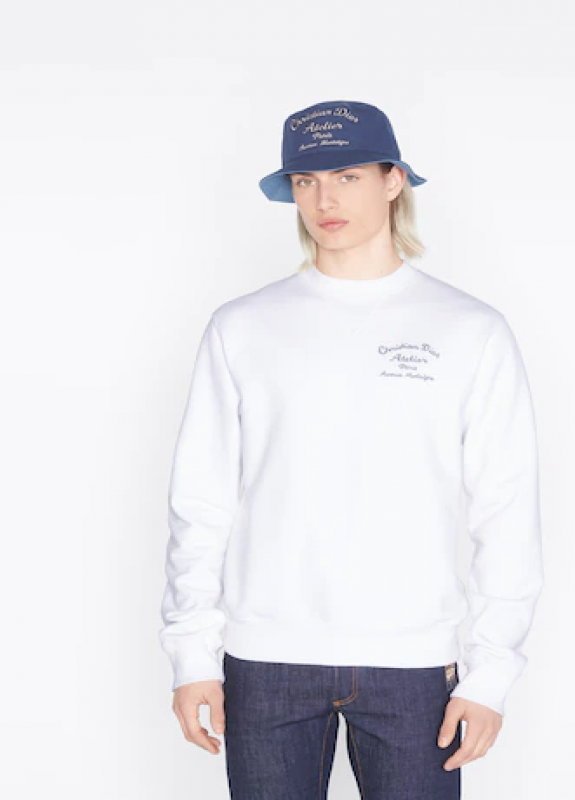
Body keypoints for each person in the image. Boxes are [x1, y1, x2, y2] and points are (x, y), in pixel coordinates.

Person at [158, 99, 544, 799]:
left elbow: (506, 508)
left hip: (413, 665)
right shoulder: (243, 327)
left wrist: (491, 672)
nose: (324, 200)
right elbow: (201, 501)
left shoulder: (469, 330)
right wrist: (192, 655)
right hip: (266, 660)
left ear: (393, 180)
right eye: (305, 181)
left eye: (347, 177)